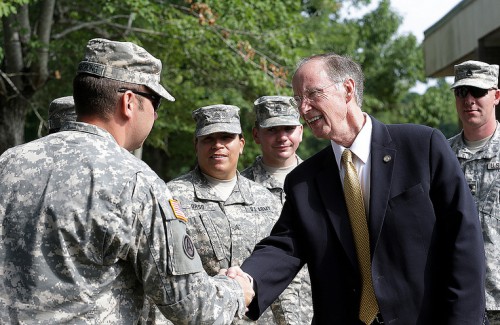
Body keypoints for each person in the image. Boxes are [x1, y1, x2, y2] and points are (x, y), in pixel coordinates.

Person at [0, 38, 253, 324]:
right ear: (129, 102)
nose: (156, 114)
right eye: (154, 101)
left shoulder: (8, 162)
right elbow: (191, 306)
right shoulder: (135, 182)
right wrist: (236, 290)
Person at [225, 53, 488, 324]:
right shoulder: (303, 181)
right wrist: (247, 279)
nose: (303, 109)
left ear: (348, 89)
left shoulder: (423, 146)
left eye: (313, 94)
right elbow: (284, 247)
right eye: (298, 99)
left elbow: (464, 241)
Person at [164, 104, 299, 324]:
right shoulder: (171, 197)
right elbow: (164, 276)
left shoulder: (266, 199)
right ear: (196, 145)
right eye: (208, 139)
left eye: (226, 137)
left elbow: (282, 276)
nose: (217, 145)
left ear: (241, 144)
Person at [241, 95, 312, 324]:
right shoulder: (239, 189)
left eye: (289, 128)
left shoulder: (321, 184)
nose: (282, 137)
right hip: (259, 316)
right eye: (272, 130)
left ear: (300, 131)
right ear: (255, 135)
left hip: (313, 313)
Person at [448, 60, 500, 325]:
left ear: (496, 96)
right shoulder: (441, 157)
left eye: (477, 92)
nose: (469, 99)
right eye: (461, 92)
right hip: (457, 303)